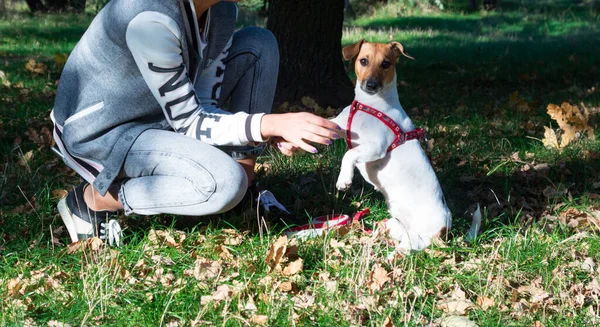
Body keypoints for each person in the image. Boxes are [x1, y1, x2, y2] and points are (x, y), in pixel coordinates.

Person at [51, 0, 341, 245]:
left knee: (258, 44)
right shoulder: (149, 17)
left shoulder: (222, 10)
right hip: (106, 131)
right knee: (223, 183)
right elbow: (190, 121)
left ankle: (242, 194)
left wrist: (264, 131)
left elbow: (203, 105)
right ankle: (93, 201)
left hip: (162, 114)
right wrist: (268, 125)